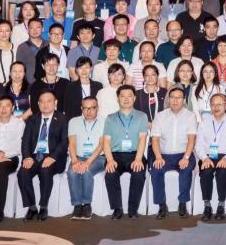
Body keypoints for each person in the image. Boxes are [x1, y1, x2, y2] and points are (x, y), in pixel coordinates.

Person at [17, 90, 68, 221]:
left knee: (45, 170)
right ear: (38, 104)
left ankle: (43, 206)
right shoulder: (32, 119)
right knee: (22, 173)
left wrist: (52, 157)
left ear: (55, 103)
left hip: (53, 157)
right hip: (35, 156)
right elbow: (25, 141)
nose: (45, 105)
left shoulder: (62, 119)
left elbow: (64, 142)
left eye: (49, 101)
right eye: (42, 102)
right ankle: (32, 207)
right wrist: (27, 157)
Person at [148, 86, 198, 218]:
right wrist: (158, 157)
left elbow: (191, 140)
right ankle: (161, 205)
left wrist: (186, 157)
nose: (175, 100)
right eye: (172, 97)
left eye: (179, 98)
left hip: (184, 153)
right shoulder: (160, 116)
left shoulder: (190, 116)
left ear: (184, 100)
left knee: (186, 169)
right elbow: (155, 140)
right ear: (168, 99)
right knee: (156, 170)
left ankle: (182, 203)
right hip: (163, 155)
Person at [101, 85, 149, 219]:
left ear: (134, 98)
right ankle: (117, 209)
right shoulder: (110, 118)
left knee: (139, 173)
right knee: (110, 174)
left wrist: (138, 159)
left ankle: (133, 209)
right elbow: (106, 141)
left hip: (135, 154)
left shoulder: (142, 116)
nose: (126, 99)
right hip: (115, 155)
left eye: (129, 96)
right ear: (118, 99)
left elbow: (142, 139)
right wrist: (110, 160)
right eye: (122, 96)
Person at [196, 93, 226, 221]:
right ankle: (207, 206)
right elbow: (198, 144)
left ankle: (221, 205)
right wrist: (204, 158)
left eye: (219, 104)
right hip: (208, 156)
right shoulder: (204, 122)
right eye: (213, 105)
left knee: (222, 171)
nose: (216, 107)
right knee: (206, 172)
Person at [67, 96, 106, 220]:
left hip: (98, 157)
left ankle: (87, 204)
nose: (89, 111)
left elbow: (101, 145)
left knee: (87, 170)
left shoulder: (105, 122)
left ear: (97, 108)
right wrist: (74, 161)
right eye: (85, 108)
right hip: (79, 156)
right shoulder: (73, 121)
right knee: (72, 172)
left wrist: (87, 162)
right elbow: (72, 143)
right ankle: (77, 205)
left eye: (92, 108)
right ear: (81, 109)